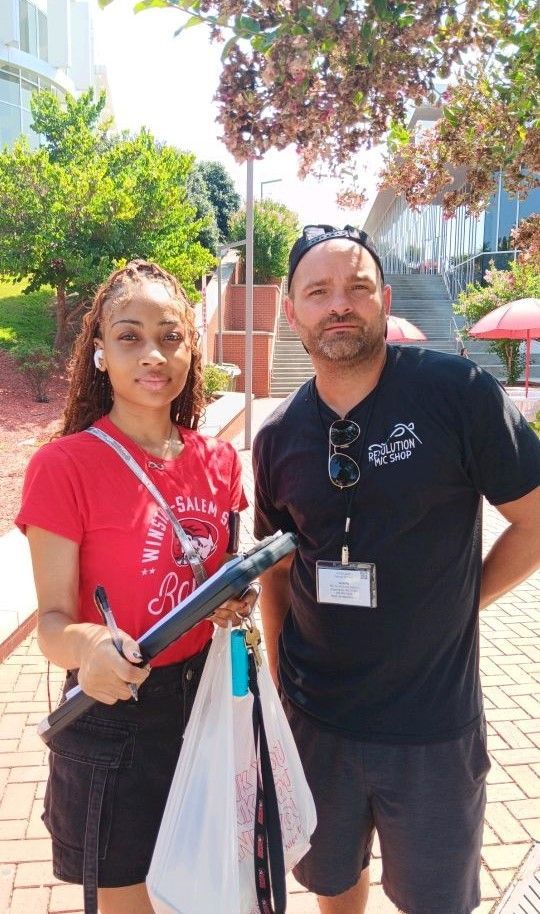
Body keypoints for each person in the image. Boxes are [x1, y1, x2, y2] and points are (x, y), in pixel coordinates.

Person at [252, 225, 540, 914]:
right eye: (318, 292)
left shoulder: (458, 393)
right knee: (331, 884)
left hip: (433, 724)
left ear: (384, 300)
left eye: (356, 287)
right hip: (318, 719)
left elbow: (534, 520)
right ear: (292, 313)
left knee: (436, 902)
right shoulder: (278, 436)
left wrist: (464, 601)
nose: (338, 305)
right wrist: (283, 684)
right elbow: (278, 570)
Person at [16, 260, 257, 914]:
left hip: (207, 702)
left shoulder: (218, 460)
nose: (153, 354)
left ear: (192, 349)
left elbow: (214, 569)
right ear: (100, 351)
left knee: (208, 894)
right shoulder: (64, 466)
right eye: (130, 336)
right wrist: (91, 646)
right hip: (115, 716)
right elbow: (51, 625)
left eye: (170, 336)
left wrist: (234, 599)